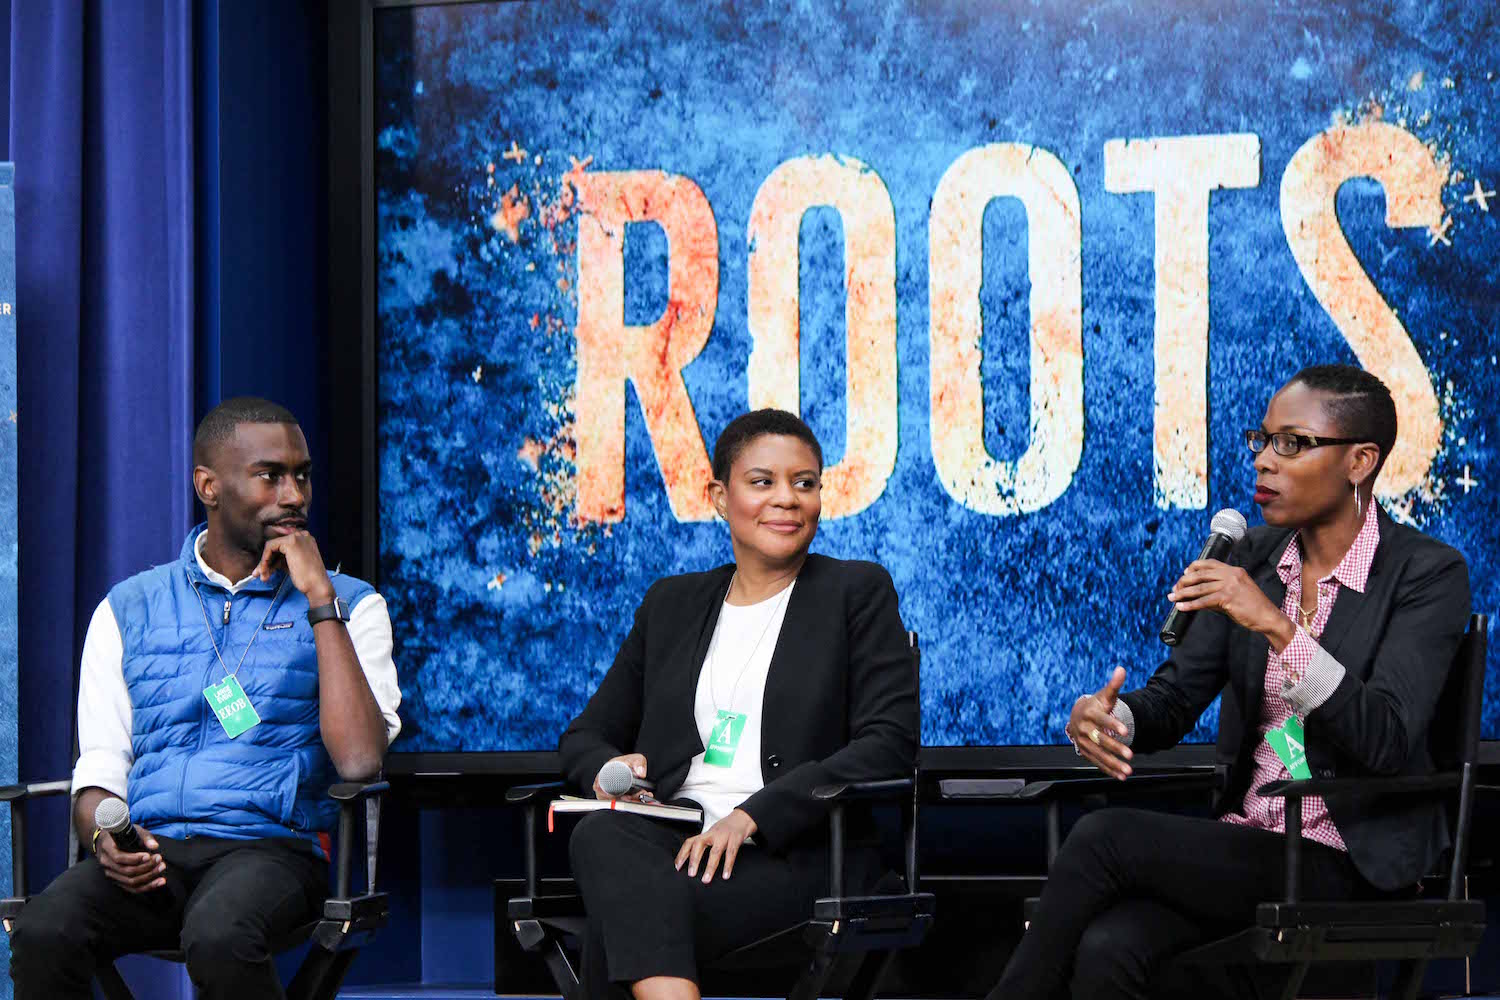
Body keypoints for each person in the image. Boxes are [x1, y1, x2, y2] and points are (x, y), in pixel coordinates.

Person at [988, 365, 1471, 1000]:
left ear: (1359, 460)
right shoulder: (1256, 559)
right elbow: (1177, 697)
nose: (1265, 461)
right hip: (1252, 842)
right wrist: (1114, 718)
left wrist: (1275, 626)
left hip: (1346, 857)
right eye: (1262, 440)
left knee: (1104, 836)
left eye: (1292, 444)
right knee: (1113, 947)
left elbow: (1384, 736)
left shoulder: (1426, 573)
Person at [9, 397, 402, 1000]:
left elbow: (358, 762)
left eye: (302, 476)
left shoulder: (355, 605)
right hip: (156, 854)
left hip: (273, 851)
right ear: (209, 487)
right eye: (270, 476)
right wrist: (103, 841)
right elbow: (100, 774)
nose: (294, 495)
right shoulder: (126, 609)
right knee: (41, 931)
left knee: (219, 935)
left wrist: (320, 599)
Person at [559, 408, 918, 1000]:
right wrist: (611, 774)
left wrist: (755, 814)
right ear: (720, 497)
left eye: (805, 484)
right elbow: (585, 736)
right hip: (674, 845)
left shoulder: (855, 591)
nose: (787, 499)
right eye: (762, 482)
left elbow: (888, 745)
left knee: (620, 917)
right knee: (602, 837)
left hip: (797, 855)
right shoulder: (671, 604)